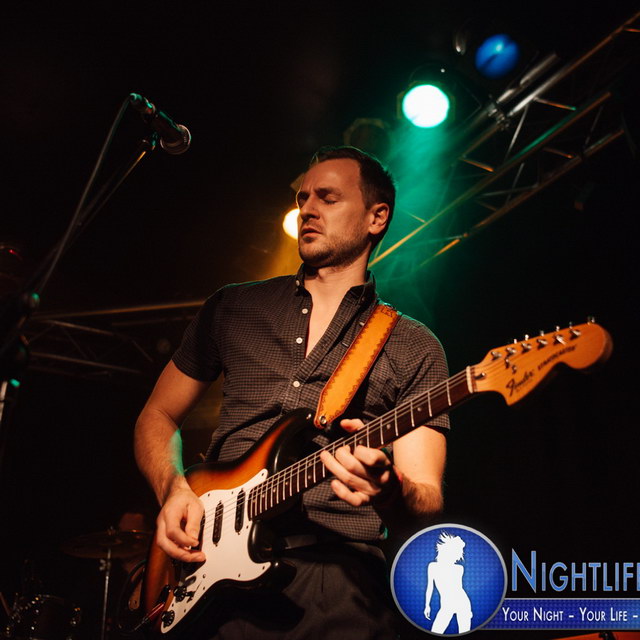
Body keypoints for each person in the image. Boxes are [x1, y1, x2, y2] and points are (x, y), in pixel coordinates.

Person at [134, 146, 449, 639]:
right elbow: (157, 415)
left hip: (339, 581)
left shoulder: (414, 345)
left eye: (328, 197)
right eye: (303, 198)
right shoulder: (234, 307)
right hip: (207, 572)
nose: (307, 209)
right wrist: (172, 488)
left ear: (377, 217)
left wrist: (391, 490)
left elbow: (427, 496)